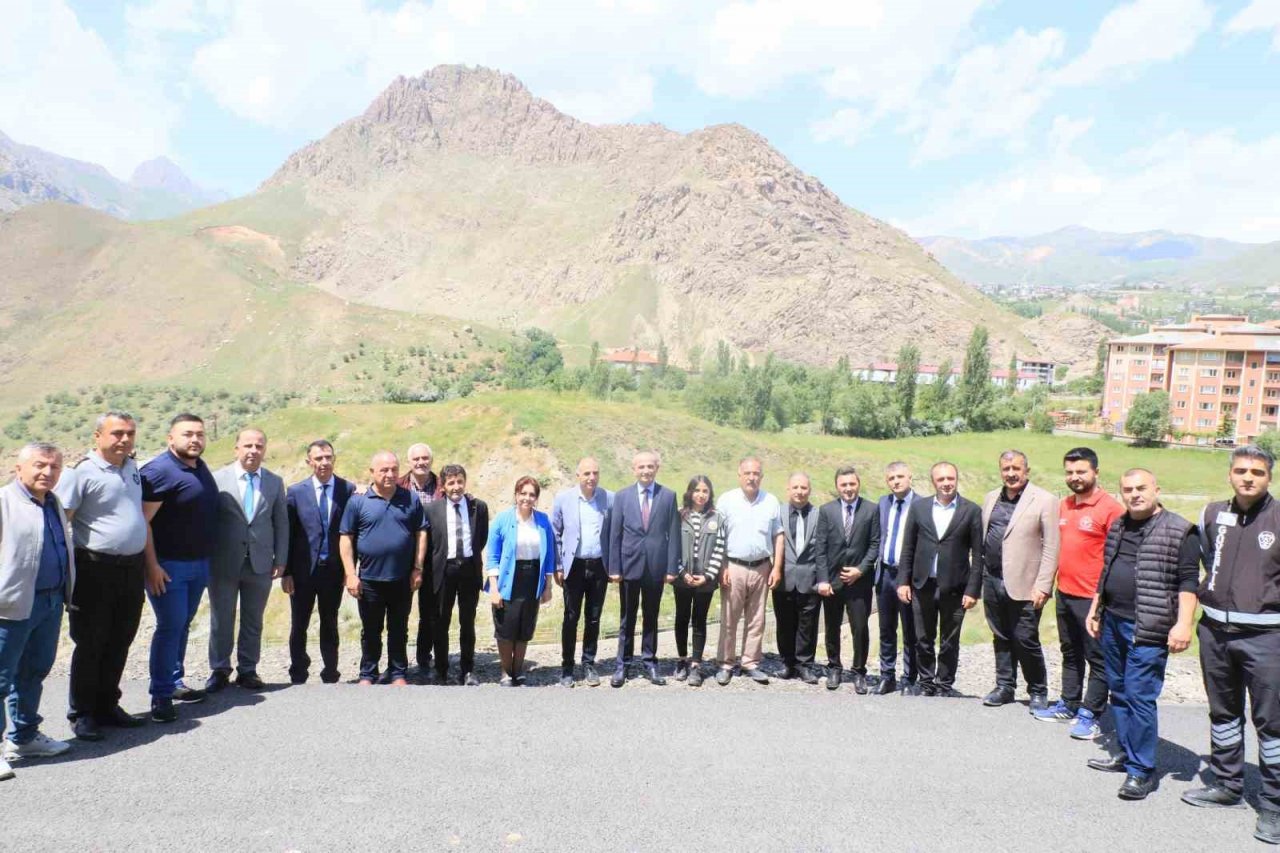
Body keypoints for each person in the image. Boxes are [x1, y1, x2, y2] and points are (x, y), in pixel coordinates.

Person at [1182, 445, 1280, 844]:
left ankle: (1273, 806)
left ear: (1269, 477)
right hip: (1215, 634)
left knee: (1271, 725)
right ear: (1230, 475)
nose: (1248, 477)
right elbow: (1200, 566)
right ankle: (1228, 785)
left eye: (1257, 472)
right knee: (1223, 714)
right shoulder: (1210, 514)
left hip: (1267, 638)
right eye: (1241, 470)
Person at [1084, 468, 1197, 802]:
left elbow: (1189, 580)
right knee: (1117, 691)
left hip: (1148, 625)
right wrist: (1096, 607)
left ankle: (1142, 770)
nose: (1134, 494)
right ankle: (1125, 752)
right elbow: (1107, 569)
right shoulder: (1119, 524)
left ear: (1156, 489)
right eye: (1128, 489)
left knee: (1140, 697)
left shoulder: (1180, 529)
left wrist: (1183, 623)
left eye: (1141, 488)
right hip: (1113, 620)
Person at [53, 412, 148, 740]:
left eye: (130, 433)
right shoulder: (81, 473)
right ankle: (82, 713)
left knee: (121, 638)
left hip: (131, 568)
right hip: (95, 568)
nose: (124, 439)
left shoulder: (132, 468)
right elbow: (62, 521)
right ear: (98, 436)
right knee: (91, 642)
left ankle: (108, 704)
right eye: (117, 433)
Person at [1035, 447, 1124, 739]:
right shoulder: (1064, 505)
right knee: (1070, 652)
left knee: (1097, 658)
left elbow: (1118, 558)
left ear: (1095, 472)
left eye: (1081, 471)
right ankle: (1069, 703)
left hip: (1094, 598)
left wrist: (1103, 599)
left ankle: (1091, 713)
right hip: (1066, 592)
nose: (1075, 477)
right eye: (1070, 472)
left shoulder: (1111, 509)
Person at [0, 443, 75, 778]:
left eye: (54, 467)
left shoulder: (52, 502)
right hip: (10, 605)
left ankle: (25, 737)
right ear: (20, 468)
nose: (47, 472)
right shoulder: (4, 502)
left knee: (34, 671)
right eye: (40, 465)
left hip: (49, 601)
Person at [140, 413, 220, 722]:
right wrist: (152, 566)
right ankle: (160, 695)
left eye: (199, 434)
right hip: (168, 566)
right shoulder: (159, 471)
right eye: (187, 434)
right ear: (170, 438)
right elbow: (143, 522)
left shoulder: (199, 467)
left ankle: (174, 681)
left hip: (198, 564)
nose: (195, 439)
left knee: (182, 624)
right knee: (170, 626)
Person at [207, 429, 288, 692]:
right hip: (223, 563)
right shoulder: (217, 479)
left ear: (265, 450)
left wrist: (282, 558)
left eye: (259, 446)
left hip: (261, 563)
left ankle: (248, 670)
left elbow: (281, 523)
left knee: (253, 619)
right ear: (236, 449)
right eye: (248, 445)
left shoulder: (275, 482)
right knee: (222, 618)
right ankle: (219, 669)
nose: (253, 450)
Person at [980, 450, 1061, 711]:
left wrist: (1044, 585)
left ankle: (1038, 689)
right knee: (1000, 635)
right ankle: (1005, 686)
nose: (1011, 473)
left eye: (1016, 468)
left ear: (1026, 471)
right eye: (1006, 469)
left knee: (1025, 638)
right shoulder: (991, 497)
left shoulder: (1044, 500)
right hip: (992, 580)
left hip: (1027, 584)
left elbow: (1051, 546)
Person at [339, 451, 427, 686]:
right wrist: (350, 574)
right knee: (371, 630)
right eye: (384, 470)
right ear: (372, 472)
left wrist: (418, 567)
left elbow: (421, 532)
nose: (390, 474)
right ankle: (368, 673)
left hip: (401, 578)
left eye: (394, 470)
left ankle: (398, 672)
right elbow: (346, 538)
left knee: (399, 629)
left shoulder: (410, 499)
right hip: (369, 579)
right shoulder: (358, 501)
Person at [897, 462, 983, 697]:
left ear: (956, 479)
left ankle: (944, 684)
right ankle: (926, 683)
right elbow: (908, 547)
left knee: (949, 640)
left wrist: (973, 590)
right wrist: (903, 582)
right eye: (941, 479)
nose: (946, 483)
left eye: (950, 478)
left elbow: (978, 555)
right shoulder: (919, 508)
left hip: (955, 588)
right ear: (933, 481)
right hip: (922, 584)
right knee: (923, 638)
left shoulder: (971, 510)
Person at [283, 440, 353, 685]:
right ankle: (298, 672)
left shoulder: (348, 489)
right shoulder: (295, 492)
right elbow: (288, 534)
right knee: (299, 623)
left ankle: (331, 672)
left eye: (328, 457)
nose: (324, 462)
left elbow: (351, 533)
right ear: (309, 462)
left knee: (330, 622)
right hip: (302, 572)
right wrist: (287, 571)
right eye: (318, 458)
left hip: (333, 571)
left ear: (334, 459)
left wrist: (350, 570)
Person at [607, 450, 679, 688]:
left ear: (657, 468)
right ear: (634, 469)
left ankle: (650, 662)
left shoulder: (668, 496)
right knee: (626, 618)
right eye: (641, 467)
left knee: (651, 616)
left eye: (650, 466)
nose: (646, 471)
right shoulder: (622, 497)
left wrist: (671, 568)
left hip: (656, 568)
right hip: (629, 566)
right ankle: (622, 665)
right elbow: (614, 534)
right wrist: (614, 568)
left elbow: (674, 535)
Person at [716, 456, 784, 686]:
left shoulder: (771, 501)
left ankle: (750, 662)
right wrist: (722, 565)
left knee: (757, 619)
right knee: (729, 617)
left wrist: (777, 567)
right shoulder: (727, 500)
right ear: (740, 475)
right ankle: (726, 663)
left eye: (756, 473)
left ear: (761, 477)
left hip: (762, 567)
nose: (752, 477)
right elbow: (718, 535)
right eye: (747, 473)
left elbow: (778, 535)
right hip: (733, 566)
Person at [813, 465, 880, 692]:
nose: (848, 489)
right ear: (837, 487)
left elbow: (875, 544)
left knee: (860, 628)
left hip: (859, 581)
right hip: (832, 581)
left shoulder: (871, 509)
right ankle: (834, 667)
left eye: (852, 484)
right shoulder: (826, 510)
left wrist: (860, 570)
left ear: (858, 484)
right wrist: (822, 580)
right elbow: (820, 548)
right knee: (831, 626)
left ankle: (859, 671)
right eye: (844, 485)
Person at [485, 477, 556, 685]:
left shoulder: (543, 520)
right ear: (516, 495)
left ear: (536, 498)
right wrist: (494, 588)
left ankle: (519, 670)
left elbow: (549, 554)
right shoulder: (502, 519)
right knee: (506, 626)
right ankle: (506, 672)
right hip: (508, 578)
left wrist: (548, 586)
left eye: (532, 494)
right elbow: (492, 556)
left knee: (525, 626)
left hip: (532, 578)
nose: (527, 498)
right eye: (523, 493)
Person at [426, 464, 489, 686]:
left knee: (467, 622)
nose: (456, 487)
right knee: (441, 622)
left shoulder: (478, 507)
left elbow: (480, 539)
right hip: (444, 571)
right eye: (451, 483)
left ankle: (467, 670)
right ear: (443, 486)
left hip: (469, 570)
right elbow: (431, 543)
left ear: (465, 482)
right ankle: (441, 670)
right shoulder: (432, 509)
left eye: (460, 481)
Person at [551, 457, 612, 687]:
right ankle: (567, 667)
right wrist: (558, 565)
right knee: (570, 617)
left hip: (599, 566)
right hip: (573, 567)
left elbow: (614, 533)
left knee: (594, 618)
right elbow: (555, 533)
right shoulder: (563, 499)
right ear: (578, 475)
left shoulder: (608, 498)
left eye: (595, 473)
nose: (591, 478)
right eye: (587, 473)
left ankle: (588, 663)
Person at [875, 461, 924, 694]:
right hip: (885, 573)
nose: (896, 481)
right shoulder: (883, 503)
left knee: (910, 629)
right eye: (891, 478)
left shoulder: (922, 504)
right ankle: (887, 675)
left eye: (900, 476)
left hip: (910, 578)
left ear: (910, 477)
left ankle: (909, 677)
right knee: (886, 628)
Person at [675, 475, 726, 687]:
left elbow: (720, 549)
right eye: (697, 490)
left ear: (710, 494)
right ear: (690, 492)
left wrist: (707, 576)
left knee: (699, 621)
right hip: (682, 579)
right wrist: (681, 572)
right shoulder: (679, 515)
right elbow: (673, 547)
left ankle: (696, 664)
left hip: (705, 581)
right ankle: (682, 660)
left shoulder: (717, 517)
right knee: (681, 617)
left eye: (705, 491)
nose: (701, 495)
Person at [772, 473, 821, 685]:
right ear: (788, 489)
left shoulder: (819, 514)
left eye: (803, 488)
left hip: (810, 578)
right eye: (795, 487)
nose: (799, 492)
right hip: (783, 578)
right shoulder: (778, 512)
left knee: (808, 625)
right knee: (784, 623)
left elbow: (823, 549)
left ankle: (805, 665)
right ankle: (787, 662)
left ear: (809, 490)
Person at [399, 442, 439, 680]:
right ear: (409, 462)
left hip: (434, 557)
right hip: (404, 557)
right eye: (416, 459)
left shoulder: (442, 485)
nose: (421, 462)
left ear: (431, 460)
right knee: (400, 611)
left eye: (425, 458)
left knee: (430, 611)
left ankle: (424, 657)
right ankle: (399, 661)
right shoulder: (398, 485)